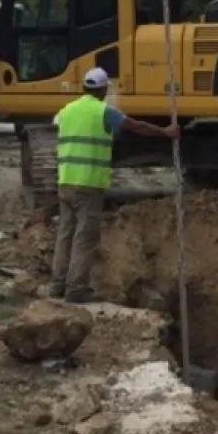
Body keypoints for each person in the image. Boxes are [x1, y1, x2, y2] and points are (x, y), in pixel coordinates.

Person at [50, 67, 180, 303]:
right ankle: (76, 289)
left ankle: (57, 285)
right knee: (85, 237)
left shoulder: (67, 110)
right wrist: (165, 132)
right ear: (102, 89)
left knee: (65, 234)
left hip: (65, 180)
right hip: (87, 182)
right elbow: (136, 126)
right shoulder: (103, 112)